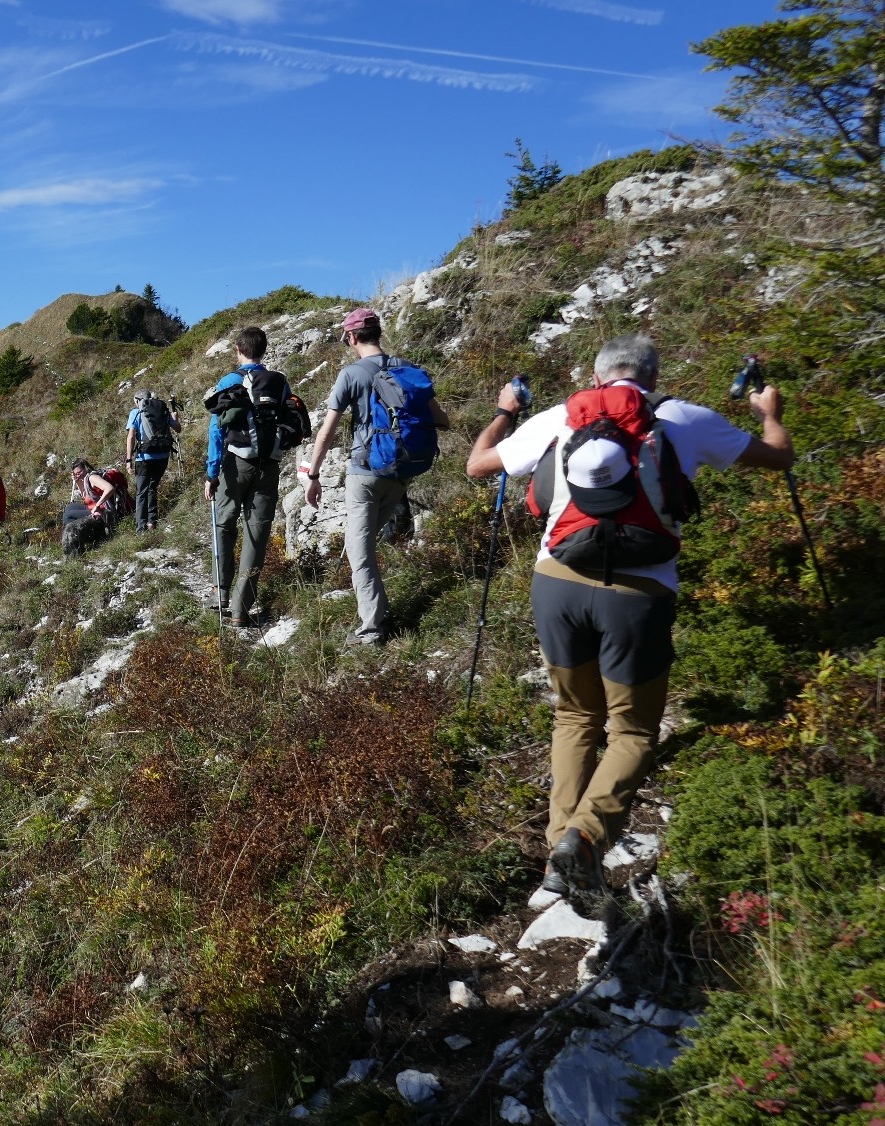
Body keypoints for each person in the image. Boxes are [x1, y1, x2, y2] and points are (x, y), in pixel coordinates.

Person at [465, 333, 793, 909]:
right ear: (652, 375)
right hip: (640, 592)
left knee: (574, 716)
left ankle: (558, 859)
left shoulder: (561, 416)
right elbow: (777, 457)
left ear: (597, 379)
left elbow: (478, 464)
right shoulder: (681, 417)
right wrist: (769, 415)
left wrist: (503, 413)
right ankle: (585, 840)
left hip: (557, 583)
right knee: (634, 731)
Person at [298, 307, 450, 645]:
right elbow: (443, 421)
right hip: (401, 472)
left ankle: (372, 627)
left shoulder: (352, 375)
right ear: (378, 332)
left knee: (359, 551)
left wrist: (314, 473)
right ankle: (378, 613)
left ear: (351, 337)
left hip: (365, 473)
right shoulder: (408, 369)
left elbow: (326, 432)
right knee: (364, 545)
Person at [203, 326, 296, 625]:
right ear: (264, 351)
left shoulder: (231, 380)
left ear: (238, 351)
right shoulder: (280, 383)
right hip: (268, 465)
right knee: (256, 535)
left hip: (235, 463)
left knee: (224, 525)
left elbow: (217, 430)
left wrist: (211, 472)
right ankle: (241, 610)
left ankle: (221, 593)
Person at [124, 390, 180, 532]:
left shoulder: (135, 413)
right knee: (152, 488)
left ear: (137, 400)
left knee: (141, 492)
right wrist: (175, 418)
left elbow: (131, 436)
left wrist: (128, 459)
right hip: (163, 456)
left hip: (144, 458)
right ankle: (152, 522)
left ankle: (141, 528)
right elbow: (177, 429)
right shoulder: (162, 409)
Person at [61, 458, 131, 556]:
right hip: (94, 507)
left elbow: (109, 489)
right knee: (69, 508)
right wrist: (77, 481)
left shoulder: (92, 478)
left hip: (104, 511)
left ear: (86, 469)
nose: (78, 475)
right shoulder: (85, 479)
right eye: (75, 474)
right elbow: (86, 497)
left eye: (79, 472)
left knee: (68, 516)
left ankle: (80, 542)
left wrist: (97, 505)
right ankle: (79, 539)